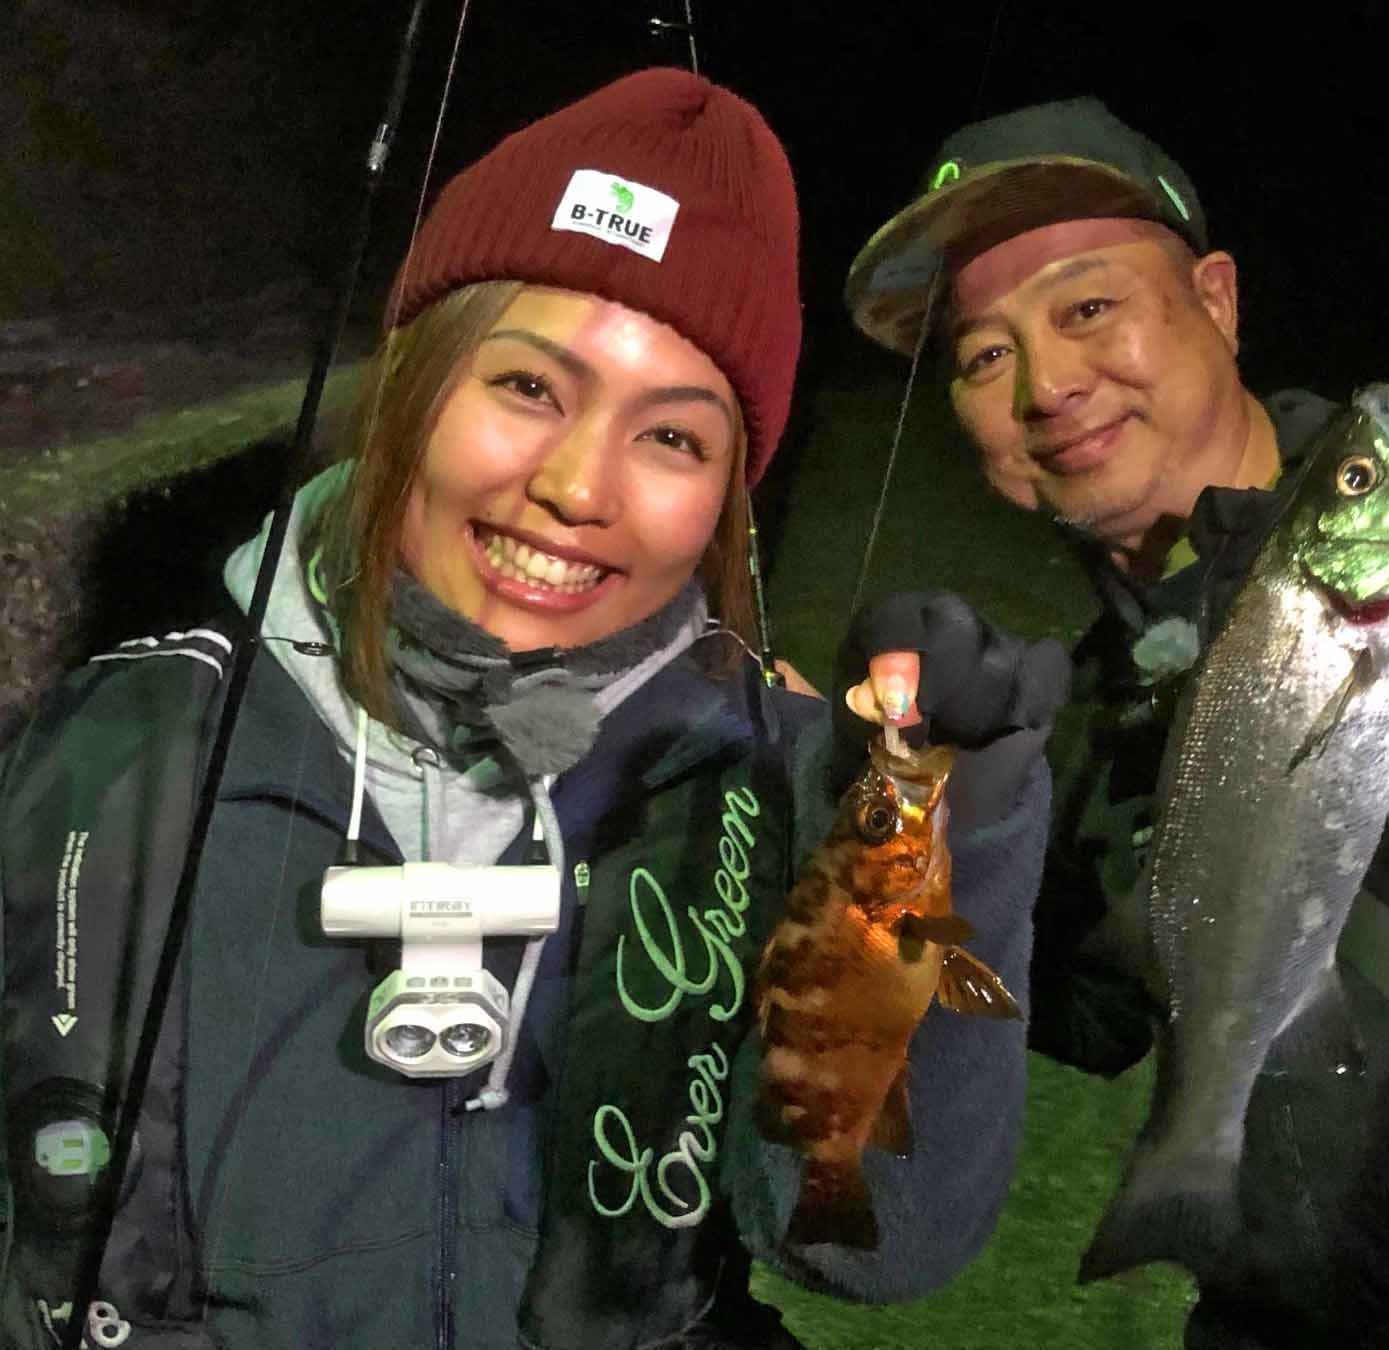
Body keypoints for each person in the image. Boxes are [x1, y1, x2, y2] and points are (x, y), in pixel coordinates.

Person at [0, 69, 1069, 1350]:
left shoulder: (788, 781)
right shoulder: (117, 745)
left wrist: (955, 826)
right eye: (526, 387)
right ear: (411, 382)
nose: (576, 486)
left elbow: (870, 1246)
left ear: (727, 499)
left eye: (672, 439)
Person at [844, 94, 1389, 1348]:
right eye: (984, 355)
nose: (1049, 385)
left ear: (1217, 298)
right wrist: (916, 841)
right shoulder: (1069, 713)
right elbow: (1089, 1017)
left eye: (1087, 307)